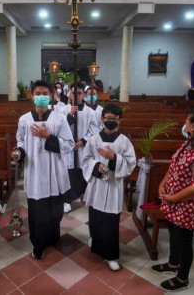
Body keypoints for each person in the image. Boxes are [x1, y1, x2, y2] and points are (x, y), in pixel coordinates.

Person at [150, 109, 194, 291]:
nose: (184, 125)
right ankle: (173, 264)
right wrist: (163, 184)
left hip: (186, 206)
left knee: (184, 242)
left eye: (186, 122)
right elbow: (173, 167)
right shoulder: (188, 144)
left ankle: (182, 278)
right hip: (173, 203)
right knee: (173, 234)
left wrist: (172, 197)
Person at [12, 80, 74, 259]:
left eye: (45, 94)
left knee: (55, 210)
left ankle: (53, 237)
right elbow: (21, 141)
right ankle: (38, 244)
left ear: (51, 96)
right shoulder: (24, 119)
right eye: (38, 93)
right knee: (37, 212)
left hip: (54, 171)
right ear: (32, 95)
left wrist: (49, 137)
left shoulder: (58, 119)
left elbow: (69, 144)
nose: (41, 97)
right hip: (35, 172)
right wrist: (19, 152)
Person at [82, 104, 136, 271]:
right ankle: (96, 241)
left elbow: (131, 163)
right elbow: (85, 159)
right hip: (97, 185)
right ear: (102, 119)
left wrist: (114, 158)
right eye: (107, 118)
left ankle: (111, 255)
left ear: (120, 120)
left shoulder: (124, 141)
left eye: (114, 119)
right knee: (96, 216)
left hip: (113, 186)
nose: (110, 121)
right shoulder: (94, 139)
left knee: (111, 221)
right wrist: (96, 165)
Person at [60, 83, 98, 213]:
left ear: (84, 95)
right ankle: (66, 200)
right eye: (74, 93)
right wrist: (70, 114)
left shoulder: (90, 112)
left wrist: (82, 141)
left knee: (81, 171)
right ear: (70, 94)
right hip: (68, 147)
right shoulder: (63, 110)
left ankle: (79, 195)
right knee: (68, 172)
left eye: (79, 93)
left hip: (82, 147)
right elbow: (60, 127)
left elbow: (94, 129)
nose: (77, 95)